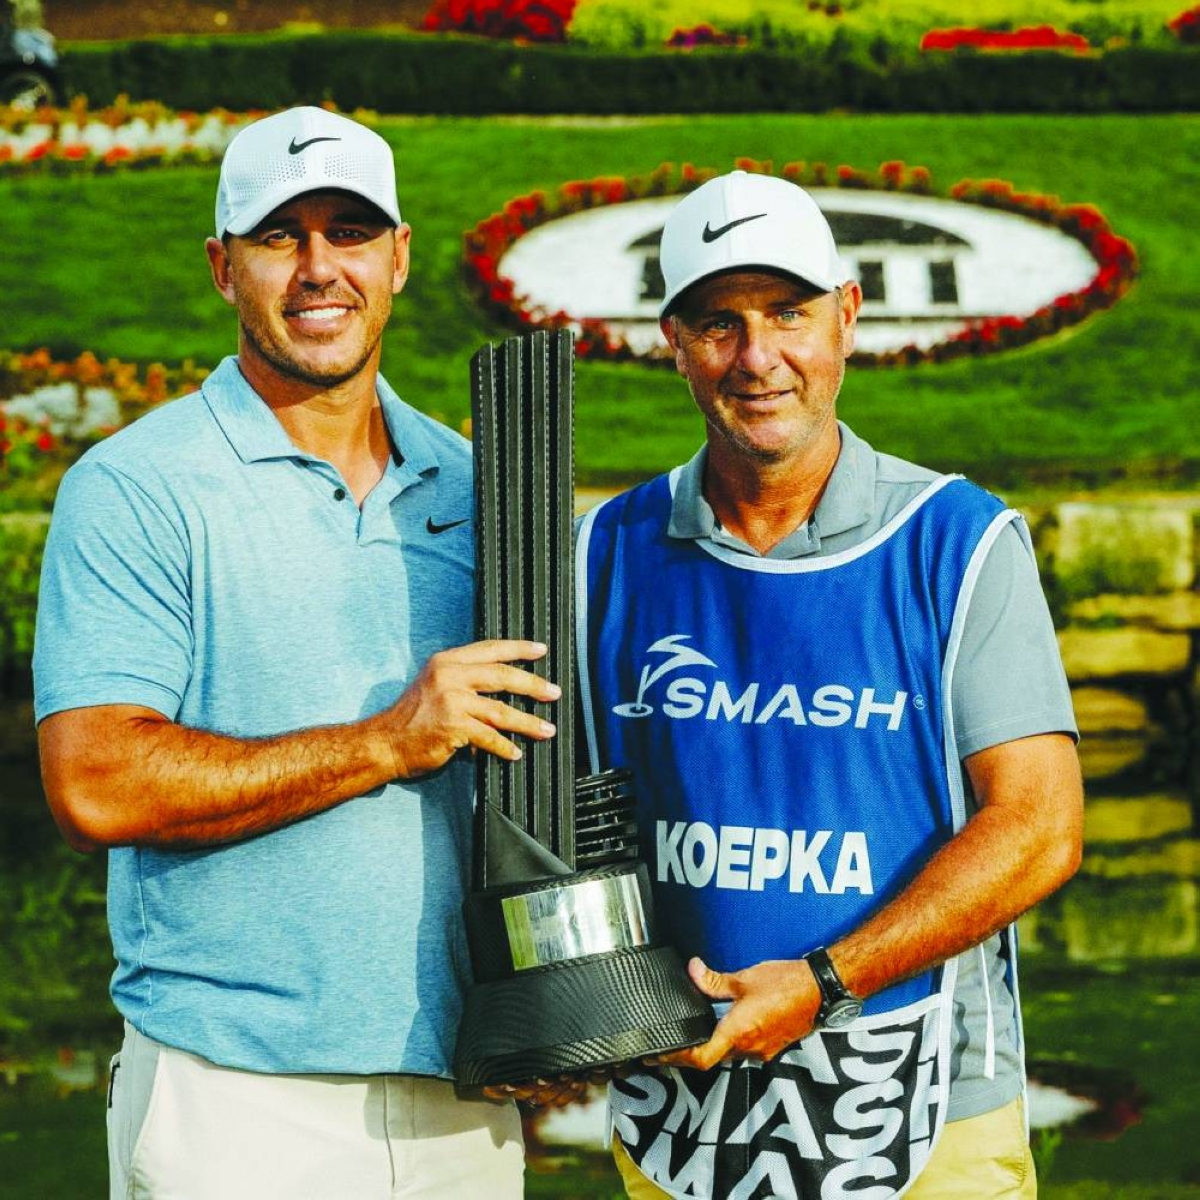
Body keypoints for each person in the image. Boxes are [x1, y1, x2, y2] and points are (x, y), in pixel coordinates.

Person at [32, 106, 559, 1199]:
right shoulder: (138, 486)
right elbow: (94, 782)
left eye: (351, 231)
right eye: (280, 236)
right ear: (224, 268)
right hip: (237, 1099)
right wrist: (383, 743)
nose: (320, 269)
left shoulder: (484, 484)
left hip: (466, 1097)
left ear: (400, 257)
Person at [573, 170, 1084, 1199]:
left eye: (788, 314)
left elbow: (1039, 827)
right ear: (671, 342)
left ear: (847, 318)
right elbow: (565, 833)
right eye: (719, 323)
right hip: (681, 1126)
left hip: (929, 1121)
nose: (759, 358)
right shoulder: (603, 552)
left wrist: (825, 983)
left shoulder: (957, 542)